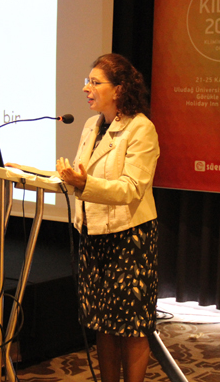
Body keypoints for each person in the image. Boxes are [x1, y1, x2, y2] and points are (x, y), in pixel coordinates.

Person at [56, 53, 160, 382]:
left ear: (118, 89)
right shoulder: (91, 125)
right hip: (93, 234)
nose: (86, 88)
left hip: (130, 237)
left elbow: (132, 188)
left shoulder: (141, 129)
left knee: (131, 326)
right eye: (86, 81)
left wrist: (83, 183)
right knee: (102, 322)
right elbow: (83, 174)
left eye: (94, 82)